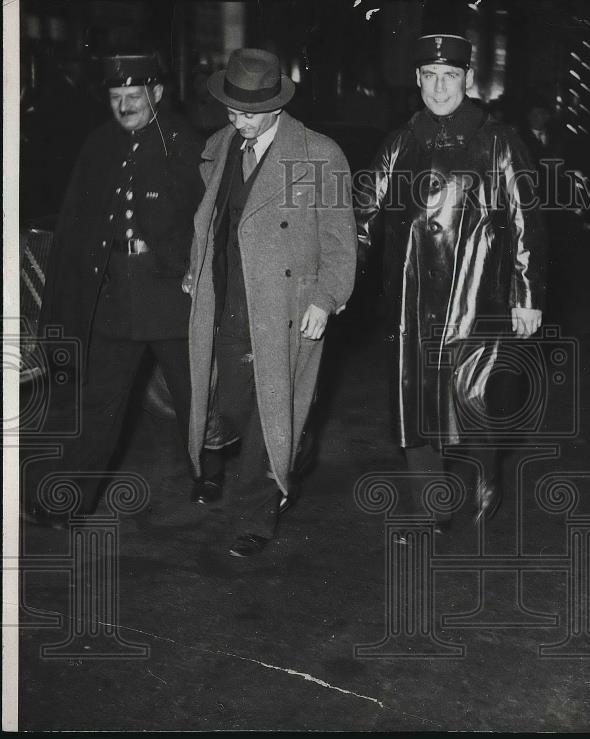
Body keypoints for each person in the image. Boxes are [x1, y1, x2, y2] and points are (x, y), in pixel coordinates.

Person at [355, 33, 547, 527]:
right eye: (430, 76)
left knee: (474, 395)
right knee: (414, 399)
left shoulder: (499, 141)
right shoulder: (400, 141)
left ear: (467, 80)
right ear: (417, 80)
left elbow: (527, 218)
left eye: (450, 76)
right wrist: (335, 276)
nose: (439, 87)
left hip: (475, 292)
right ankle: (431, 504)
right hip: (412, 298)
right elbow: (362, 214)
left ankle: (486, 472)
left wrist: (525, 295)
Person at [26, 52, 211, 527]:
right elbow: (77, 222)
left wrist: (196, 269)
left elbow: (209, 219)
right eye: (116, 97)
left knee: (195, 395)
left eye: (134, 95)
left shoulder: (183, 143)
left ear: (157, 94)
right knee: (99, 403)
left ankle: (208, 472)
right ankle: (68, 502)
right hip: (115, 297)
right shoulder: (99, 145)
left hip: (171, 296)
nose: (125, 105)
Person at [184, 48, 357, 557]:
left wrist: (326, 298)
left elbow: (342, 240)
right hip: (230, 303)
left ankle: (255, 517)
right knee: (230, 410)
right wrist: (197, 269)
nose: (239, 122)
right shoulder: (219, 146)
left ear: (277, 106)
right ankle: (292, 449)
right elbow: (210, 223)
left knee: (268, 415)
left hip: (288, 308)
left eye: (249, 114)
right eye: (232, 110)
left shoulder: (319, 154)